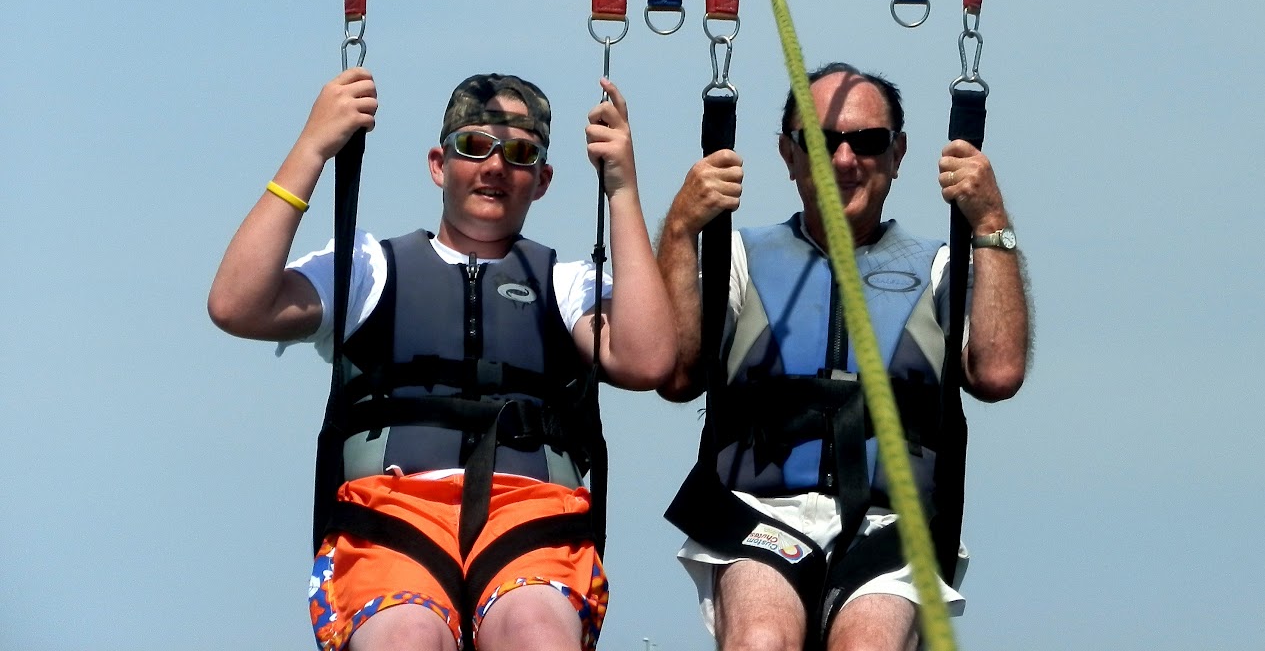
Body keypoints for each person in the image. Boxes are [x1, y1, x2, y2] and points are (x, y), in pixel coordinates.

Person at [208, 67, 674, 651]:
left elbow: (648, 359)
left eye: (521, 153)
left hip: (530, 520)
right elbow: (235, 304)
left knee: (535, 632)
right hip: (392, 518)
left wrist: (623, 191)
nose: (496, 166)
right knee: (404, 637)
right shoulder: (366, 270)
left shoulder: (567, 284)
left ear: (544, 180)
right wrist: (313, 148)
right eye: (474, 146)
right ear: (439, 164)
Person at [656, 62, 1031, 651]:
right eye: (822, 141)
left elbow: (998, 371)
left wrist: (990, 220)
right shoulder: (739, 258)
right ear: (789, 154)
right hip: (759, 513)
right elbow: (675, 374)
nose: (845, 160)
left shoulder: (940, 267)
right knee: (760, 640)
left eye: (868, 141)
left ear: (898, 153)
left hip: (892, 527)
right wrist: (680, 229)